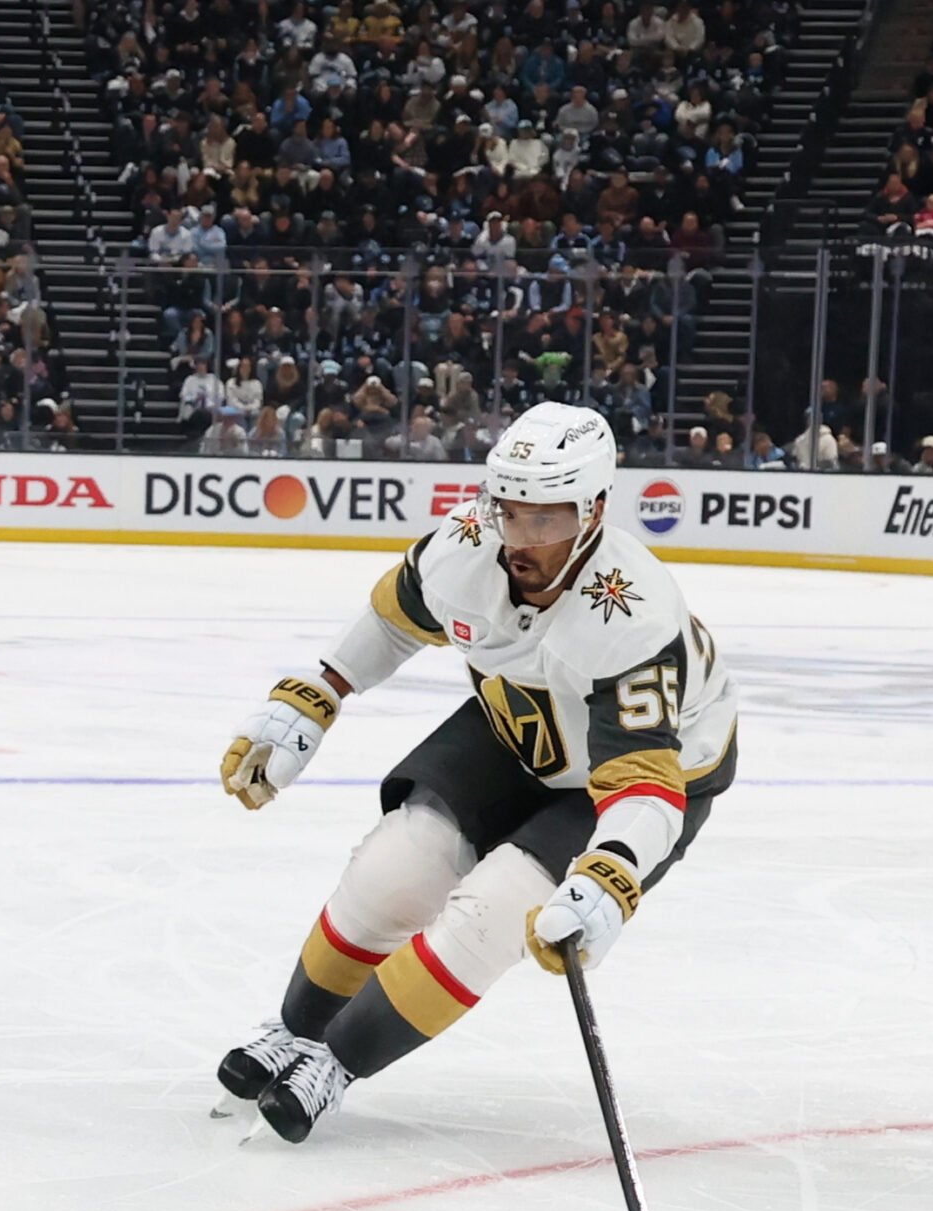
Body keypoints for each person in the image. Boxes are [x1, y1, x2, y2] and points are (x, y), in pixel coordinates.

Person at [211, 402, 741, 1142]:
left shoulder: (635, 617)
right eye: (508, 512)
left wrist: (613, 872)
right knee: (394, 868)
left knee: (494, 913)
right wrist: (320, 692)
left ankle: (339, 1061)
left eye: (544, 521)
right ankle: (296, 1028)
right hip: (522, 720)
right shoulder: (465, 544)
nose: (519, 540)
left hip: (636, 775)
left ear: (594, 512)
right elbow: (396, 617)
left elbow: (643, 782)